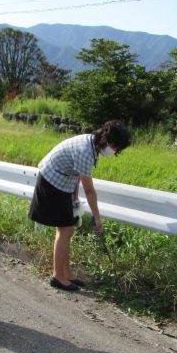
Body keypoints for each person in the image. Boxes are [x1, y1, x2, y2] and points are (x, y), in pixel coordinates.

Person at [29, 120, 131, 292]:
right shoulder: (86, 151)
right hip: (52, 181)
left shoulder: (91, 143)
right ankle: (58, 277)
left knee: (67, 228)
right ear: (107, 140)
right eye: (115, 147)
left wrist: (74, 196)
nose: (114, 151)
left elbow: (75, 171)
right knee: (65, 229)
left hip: (62, 181)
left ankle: (66, 273)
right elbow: (90, 191)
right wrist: (97, 218)